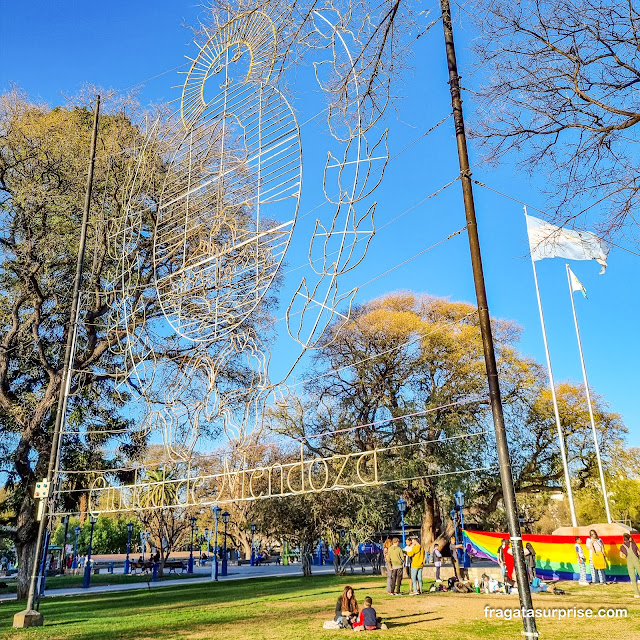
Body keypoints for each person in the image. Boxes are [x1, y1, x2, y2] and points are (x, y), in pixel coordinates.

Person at [619, 533, 640, 598]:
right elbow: (638, 553)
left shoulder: (622, 546)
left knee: (633, 578)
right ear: (629, 538)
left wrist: (626, 558)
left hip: (629, 563)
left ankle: (637, 593)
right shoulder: (633, 544)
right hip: (636, 561)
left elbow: (621, 556)